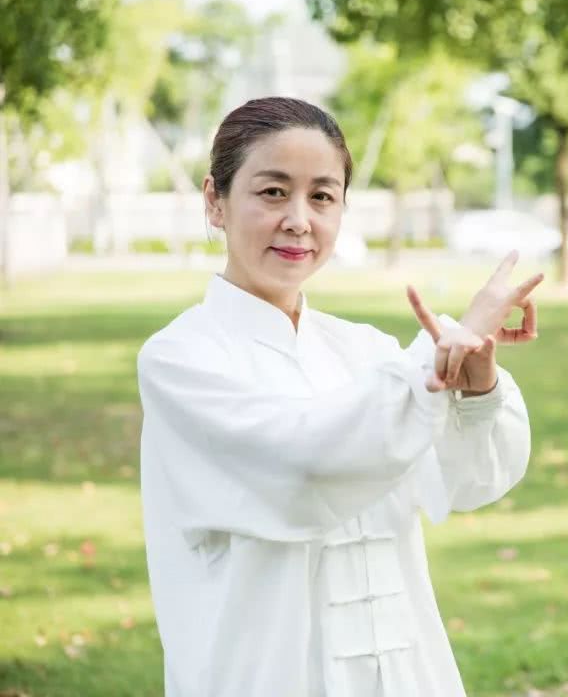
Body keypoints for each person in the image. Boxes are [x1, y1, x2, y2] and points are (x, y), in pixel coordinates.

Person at [137, 97, 542, 696]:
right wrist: (428, 369)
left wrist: (475, 382)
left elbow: (466, 480)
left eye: (322, 196)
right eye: (273, 192)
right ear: (214, 201)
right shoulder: (183, 360)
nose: (300, 219)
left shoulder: (368, 351)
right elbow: (302, 468)